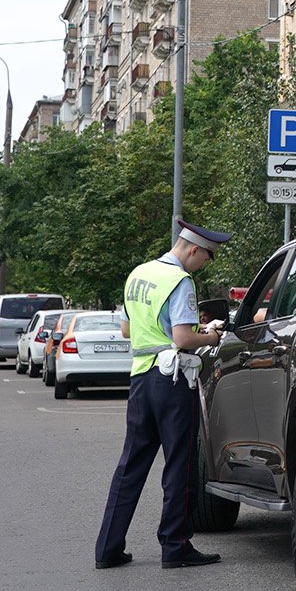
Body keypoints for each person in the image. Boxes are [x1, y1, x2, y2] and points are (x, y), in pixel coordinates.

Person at [94, 220, 232, 570]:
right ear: (193, 249)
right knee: (179, 465)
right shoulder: (180, 281)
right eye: (208, 257)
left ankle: (107, 548)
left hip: (141, 378)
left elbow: (127, 328)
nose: (204, 265)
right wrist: (211, 337)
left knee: (130, 466)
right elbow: (184, 339)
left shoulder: (138, 274)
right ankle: (175, 545)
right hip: (171, 381)